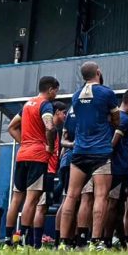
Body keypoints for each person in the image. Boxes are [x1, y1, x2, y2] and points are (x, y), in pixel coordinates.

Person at [58, 62, 120, 251]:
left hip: (79, 152)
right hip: (100, 152)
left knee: (71, 196)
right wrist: (109, 120)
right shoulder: (106, 93)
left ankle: (63, 242)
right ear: (98, 72)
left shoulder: (76, 97)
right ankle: (95, 242)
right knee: (101, 197)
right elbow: (117, 120)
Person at [4, 76, 60, 247]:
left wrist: (25, 143)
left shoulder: (27, 105)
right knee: (31, 200)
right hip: (37, 157)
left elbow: (11, 127)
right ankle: (23, 241)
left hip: (22, 155)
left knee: (16, 199)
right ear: (50, 89)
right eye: (56, 91)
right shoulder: (46, 105)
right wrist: (50, 146)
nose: (56, 95)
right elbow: (49, 126)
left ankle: (8, 240)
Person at [105, 89, 128, 246]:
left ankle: (122, 241)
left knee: (118, 206)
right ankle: (105, 240)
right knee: (113, 205)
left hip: (116, 166)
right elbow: (113, 143)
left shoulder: (112, 117)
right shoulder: (124, 119)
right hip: (118, 167)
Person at [32, 101, 67, 249]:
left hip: (50, 171)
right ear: (57, 112)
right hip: (46, 171)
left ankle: (34, 243)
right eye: (63, 113)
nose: (65, 116)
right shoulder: (49, 129)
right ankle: (36, 244)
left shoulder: (56, 131)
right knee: (40, 208)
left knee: (42, 207)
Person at [54, 105, 76, 246]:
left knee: (68, 199)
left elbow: (63, 142)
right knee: (70, 199)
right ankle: (63, 239)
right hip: (71, 162)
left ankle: (62, 239)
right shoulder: (79, 112)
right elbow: (64, 142)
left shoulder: (71, 114)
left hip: (65, 162)